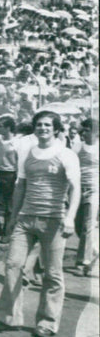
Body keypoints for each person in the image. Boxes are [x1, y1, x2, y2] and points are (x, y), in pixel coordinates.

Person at [0, 111, 81, 337]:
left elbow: (75, 187)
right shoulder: (27, 152)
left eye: (48, 125)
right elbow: (20, 186)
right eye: (39, 125)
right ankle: (9, 318)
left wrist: (69, 218)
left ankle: (47, 322)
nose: (43, 128)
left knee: (52, 272)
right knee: (13, 264)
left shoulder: (66, 154)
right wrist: (12, 217)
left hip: (54, 220)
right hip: (26, 218)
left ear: (56, 129)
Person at [74, 118, 98, 276]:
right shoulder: (78, 147)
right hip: (77, 188)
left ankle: (84, 260)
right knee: (77, 225)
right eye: (83, 130)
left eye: (88, 130)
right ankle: (95, 251)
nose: (84, 133)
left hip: (95, 189)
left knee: (88, 225)